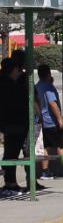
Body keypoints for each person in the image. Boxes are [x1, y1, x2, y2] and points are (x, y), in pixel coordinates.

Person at [34, 62, 63, 181]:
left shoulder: (38, 86)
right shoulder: (48, 87)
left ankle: (45, 171)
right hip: (51, 121)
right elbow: (52, 103)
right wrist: (60, 119)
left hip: (42, 120)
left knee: (46, 146)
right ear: (49, 74)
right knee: (61, 145)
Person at [1, 58, 26, 194]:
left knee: (10, 154)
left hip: (8, 124)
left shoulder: (6, 83)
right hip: (14, 124)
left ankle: (11, 182)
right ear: (14, 69)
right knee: (11, 154)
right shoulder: (11, 85)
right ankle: (9, 183)